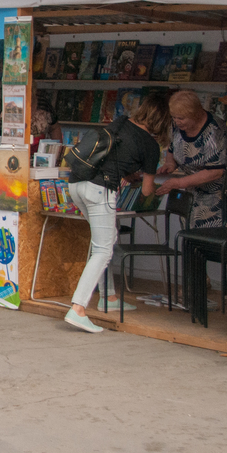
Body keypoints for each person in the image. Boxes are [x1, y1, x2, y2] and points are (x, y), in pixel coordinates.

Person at [64, 93, 172, 333]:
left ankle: (109, 297)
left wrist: (126, 172)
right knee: (104, 248)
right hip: (100, 189)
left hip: (76, 183)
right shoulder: (151, 145)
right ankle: (78, 308)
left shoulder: (121, 121)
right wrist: (160, 187)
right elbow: (146, 190)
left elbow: (111, 153)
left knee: (103, 240)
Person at [156, 90, 227, 229]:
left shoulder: (214, 132)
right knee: (188, 231)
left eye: (181, 118)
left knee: (208, 234)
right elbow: (172, 146)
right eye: (174, 117)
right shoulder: (176, 124)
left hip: (217, 194)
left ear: (196, 114)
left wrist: (179, 182)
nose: (177, 121)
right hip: (193, 190)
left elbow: (215, 171)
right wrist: (170, 163)